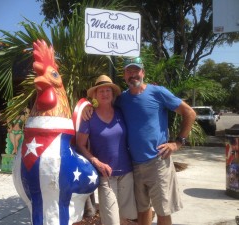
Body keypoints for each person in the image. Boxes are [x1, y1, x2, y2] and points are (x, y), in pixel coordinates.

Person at [82, 58, 196, 225]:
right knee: (142, 210)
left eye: (136, 70)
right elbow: (102, 101)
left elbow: (190, 113)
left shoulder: (158, 92)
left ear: (143, 72)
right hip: (134, 165)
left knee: (163, 211)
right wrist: (88, 106)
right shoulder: (122, 99)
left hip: (158, 161)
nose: (133, 75)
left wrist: (177, 142)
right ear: (124, 75)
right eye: (129, 71)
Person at [76, 75, 137, 225]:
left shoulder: (121, 113)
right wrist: (96, 162)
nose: (105, 94)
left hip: (127, 173)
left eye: (108, 90)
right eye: (101, 91)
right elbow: (80, 144)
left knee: (125, 218)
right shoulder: (88, 116)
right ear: (95, 95)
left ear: (113, 93)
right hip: (105, 175)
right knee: (111, 221)